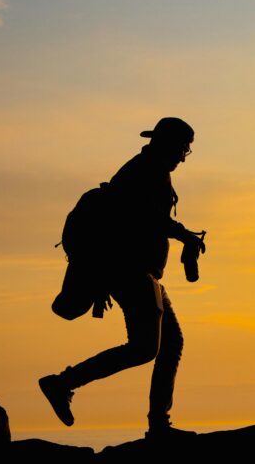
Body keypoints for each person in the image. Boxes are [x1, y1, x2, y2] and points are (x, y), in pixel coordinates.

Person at [39, 117, 207, 441]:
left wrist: (183, 237)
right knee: (145, 348)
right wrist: (184, 235)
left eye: (187, 151)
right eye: (183, 149)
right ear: (167, 144)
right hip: (130, 271)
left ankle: (159, 425)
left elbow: (149, 219)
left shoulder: (151, 170)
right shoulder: (145, 171)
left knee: (171, 344)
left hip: (143, 274)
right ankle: (63, 383)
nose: (183, 156)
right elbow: (146, 219)